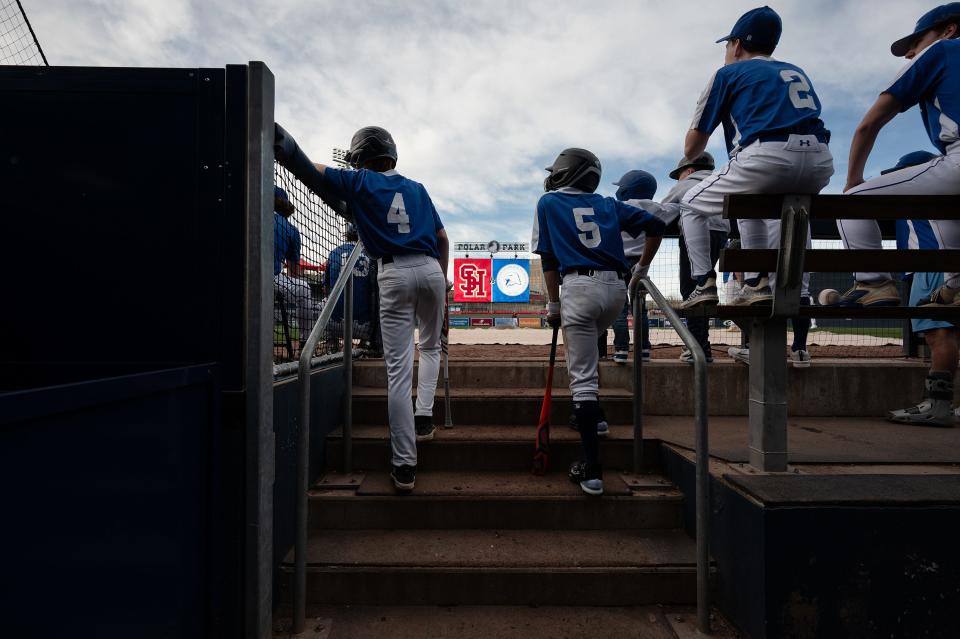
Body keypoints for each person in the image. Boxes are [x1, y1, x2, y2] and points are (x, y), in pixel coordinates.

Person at [302, 126, 449, 493]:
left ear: (360, 159)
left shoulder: (361, 181)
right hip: (432, 268)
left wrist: (284, 144)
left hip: (394, 272)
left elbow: (311, 168)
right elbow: (444, 238)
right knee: (431, 347)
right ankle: (425, 415)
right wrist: (440, 281)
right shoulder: (417, 188)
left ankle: (404, 465)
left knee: (398, 372)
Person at [677, 6, 833, 311]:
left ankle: (702, 282)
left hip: (768, 155)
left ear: (738, 44)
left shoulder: (728, 73)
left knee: (690, 204)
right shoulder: (796, 70)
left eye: (727, 44)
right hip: (819, 161)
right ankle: (756, 283)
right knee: (751, 206)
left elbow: (691, 150)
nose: (726, 50)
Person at [532, 148, 665, 496]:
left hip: (578, 286)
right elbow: (657, 225)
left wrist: (553, 305)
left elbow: (548, 260)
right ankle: (596, 417)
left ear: (565, 173)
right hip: (616, 289)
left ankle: (592, 470)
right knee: (591, 351)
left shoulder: (548, 202)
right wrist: (642, 268)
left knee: (583, 381)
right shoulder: (607, 203)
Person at [838, 3, 960, 307]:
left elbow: (869, 125)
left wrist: (853, 180)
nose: (910, 53)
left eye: (916, 42)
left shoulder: (944, 50)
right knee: (941, 201)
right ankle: (955, 288)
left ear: (949, 30)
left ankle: (873, 283)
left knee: (852, 202)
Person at [884, 151, 959, 426]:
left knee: (939, 334)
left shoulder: (917, 194)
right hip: (948, 263)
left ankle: (939, 406)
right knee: (950, 334)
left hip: (931, 264)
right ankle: (946, 404)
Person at [662, 152, 724, 363]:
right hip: (720, 235)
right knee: (703, 291)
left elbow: (661, 214)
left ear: (689, 170)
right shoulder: (722, 181)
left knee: (692, 292)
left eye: (679, 174)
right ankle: (702, 346)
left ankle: (697, 347)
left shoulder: (686, 184)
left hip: (695, 235)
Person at [610, 169, 674, 364]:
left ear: (626, 189)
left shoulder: (618, 207)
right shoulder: (659, 209)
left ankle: (621, 350)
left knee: (619, 309)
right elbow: (676, 208)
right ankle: (644, 349)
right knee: (640, 309)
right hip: (641, 263)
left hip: (618, 262)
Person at [273, 187, 317, 349]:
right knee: (303, 288)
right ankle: (306, 343)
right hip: (272, 278)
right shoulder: (290, 229)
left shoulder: (251, 212)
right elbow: (294, 272)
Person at [325, 223, 375, 348]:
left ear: (347, 235)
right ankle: (368, 343)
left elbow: (326, 289)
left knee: (322, 301)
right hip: (364, 328)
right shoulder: (371, 253)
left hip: (334, 325)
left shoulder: (335, 252)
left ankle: (332, 342)